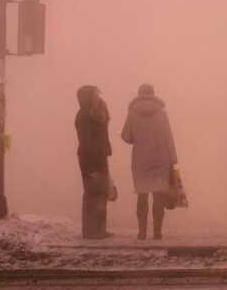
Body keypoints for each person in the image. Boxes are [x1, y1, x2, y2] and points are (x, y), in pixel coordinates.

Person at [121, 84, 178, 240]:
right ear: (153, 94)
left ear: (139, 94)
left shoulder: (132, 113)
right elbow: (169, 138)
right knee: (159, 196)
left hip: (140, 160)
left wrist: (138, 137)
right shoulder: (161, 113)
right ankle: (157, 232)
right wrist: (174, 160)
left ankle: (142, 232)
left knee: (142, 195)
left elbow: (126, 136)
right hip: (161, 159)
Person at [75, 85, 113, 240]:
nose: (99, 97)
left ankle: (99, 230)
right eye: (95, 95)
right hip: (91, 158)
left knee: (101, 193)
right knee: (93, 194)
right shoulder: (85, 116)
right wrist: (92, 165)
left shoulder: (94, 113)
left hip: (98, 155)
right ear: (88, 97)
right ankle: (92, 232)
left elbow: (104, 123)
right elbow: (87, 141)